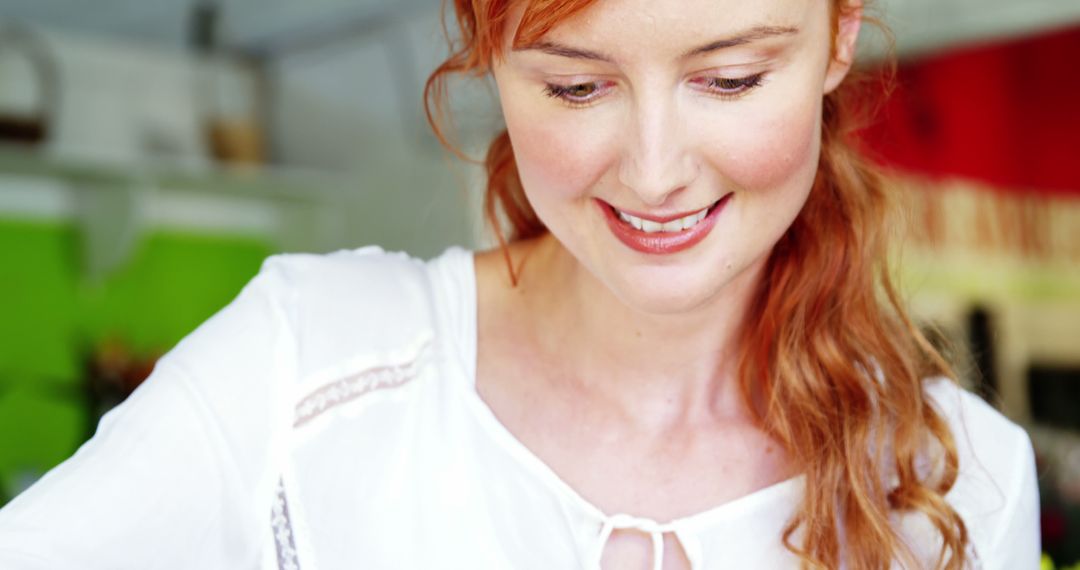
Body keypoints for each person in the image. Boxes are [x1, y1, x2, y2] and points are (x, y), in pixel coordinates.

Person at [0, 0, 1039, 568]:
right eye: (575, 85)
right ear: (487, 48)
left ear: (839, 34)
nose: (654, 169)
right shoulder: (301, 370)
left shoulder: (966, 482)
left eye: (729, 79)